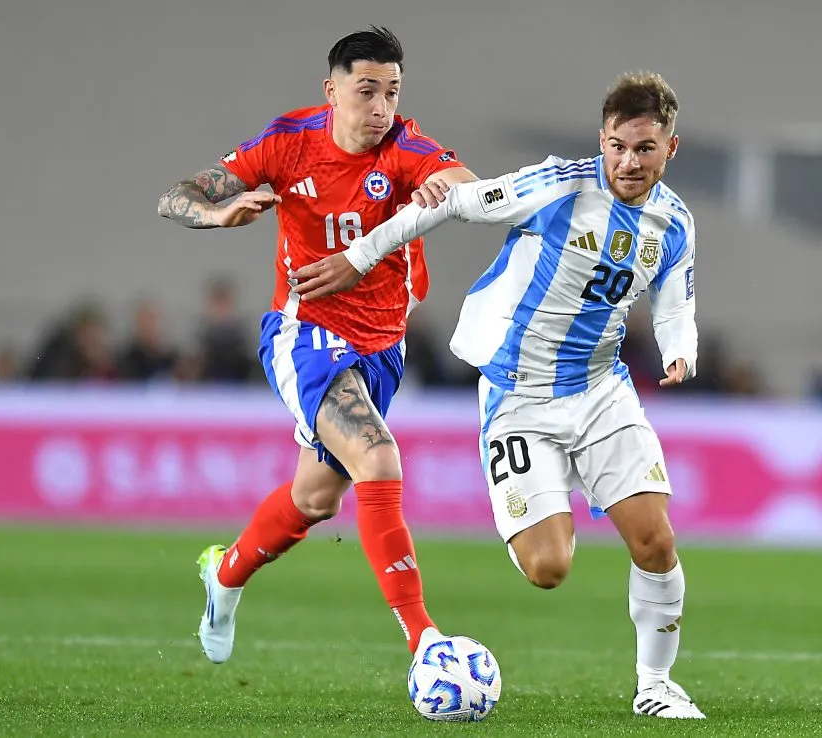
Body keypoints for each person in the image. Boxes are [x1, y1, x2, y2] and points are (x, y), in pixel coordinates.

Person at [294, 72, 705, 719]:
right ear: (602, 139)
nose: (628, 162)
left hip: (600, 392)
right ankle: (532, 501)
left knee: (655, 541)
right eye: (618, 146)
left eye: (645, 149)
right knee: (548, 567)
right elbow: (457, 204)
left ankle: (656, 686)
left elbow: (676, 300)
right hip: (519, 398)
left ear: (670, 150)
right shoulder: (559, 186)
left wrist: (683, 346)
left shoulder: (674, 222)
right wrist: (362, 256)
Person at [158, 26, 477, 664]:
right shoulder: (288, 143)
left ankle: (223, 575)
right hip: (306, 334)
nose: (381, 108)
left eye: (392, 92)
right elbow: (176, 198)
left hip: (384, 347)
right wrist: (218, 214)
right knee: (378, 458)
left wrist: (456, 192)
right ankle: (426, 642)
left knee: (314, 499)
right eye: (366, 91)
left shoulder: (406, 146)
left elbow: (471, 185)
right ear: (331, 91)